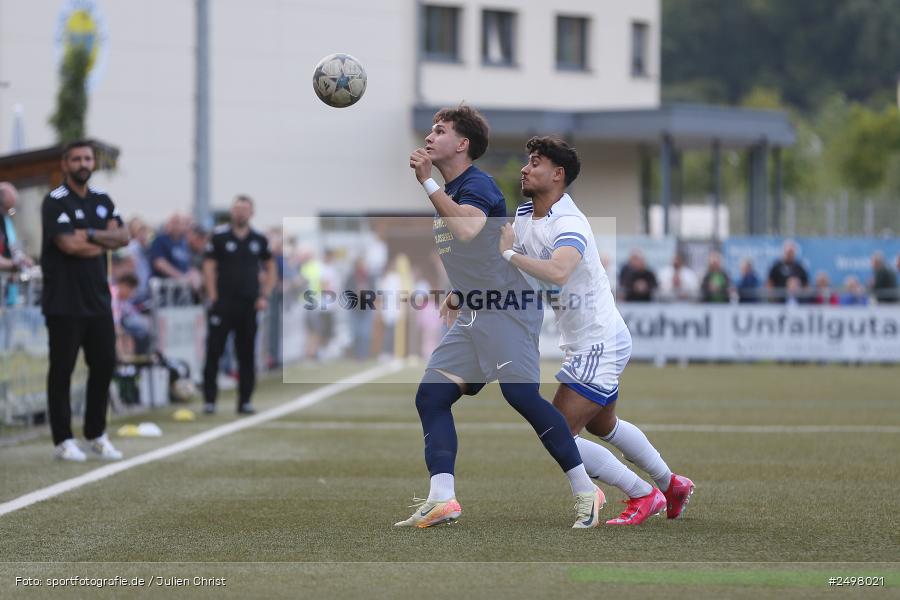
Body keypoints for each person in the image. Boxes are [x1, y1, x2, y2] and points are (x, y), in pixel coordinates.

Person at [396, 104, 602, 529]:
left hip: (507, 309)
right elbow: (478, 251)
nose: (430, 137)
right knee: (431, 396)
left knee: (521, 397)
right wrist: (459, 292)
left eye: (440, 130)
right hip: (476, 311)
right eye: (431, 130)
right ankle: (443, 499)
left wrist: (427, 181)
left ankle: (587, 491)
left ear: (462, 144)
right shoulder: (453, 190)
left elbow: (468, 229)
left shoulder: (477, 184)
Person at [499, 136, 693, 525]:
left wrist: (508, 253)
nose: (524, 168)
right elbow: (516, 272)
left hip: (598, 341)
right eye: (527, 161)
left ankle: (643, 494)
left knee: (556, 431)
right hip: (588, 341)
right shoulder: (524, 215)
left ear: (558, 174)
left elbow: (558, 271)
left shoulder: (568, 221)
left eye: (535, 162)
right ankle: (671, 485)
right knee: (604, 424)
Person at [40, 140, 129, 461]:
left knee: (104, 365)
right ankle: (63, 439)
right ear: (65, 164)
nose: (83, 163)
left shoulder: (103, 199)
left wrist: (88, 234)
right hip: (64, 301)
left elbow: (123, 236)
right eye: (76, 159)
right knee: (62, 370)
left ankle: (96, 433)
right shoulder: (55, 200)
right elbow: (68, 245)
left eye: (87, 158)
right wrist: (104, 239)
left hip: (98, 300)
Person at [202, 195, 276, 415]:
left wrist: (264, 295)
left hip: (248, 304)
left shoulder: (259, 239)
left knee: (246, 354)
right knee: (214, 351)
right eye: (237, 208)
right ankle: (209, 400)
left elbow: (271, 268)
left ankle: (245, 400)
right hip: (223, 303)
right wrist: (213, 296)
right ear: (231, 211)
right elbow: (208, 267)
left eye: (244, 209)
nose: (240, 212)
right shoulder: (219, 237)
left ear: (252, 213)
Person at [0, 182, 35, 305]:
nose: (10, 212)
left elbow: (11, 245)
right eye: (7, 208)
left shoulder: (5, 220)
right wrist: (13, 263)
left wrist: (21, 259)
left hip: (7, 286)